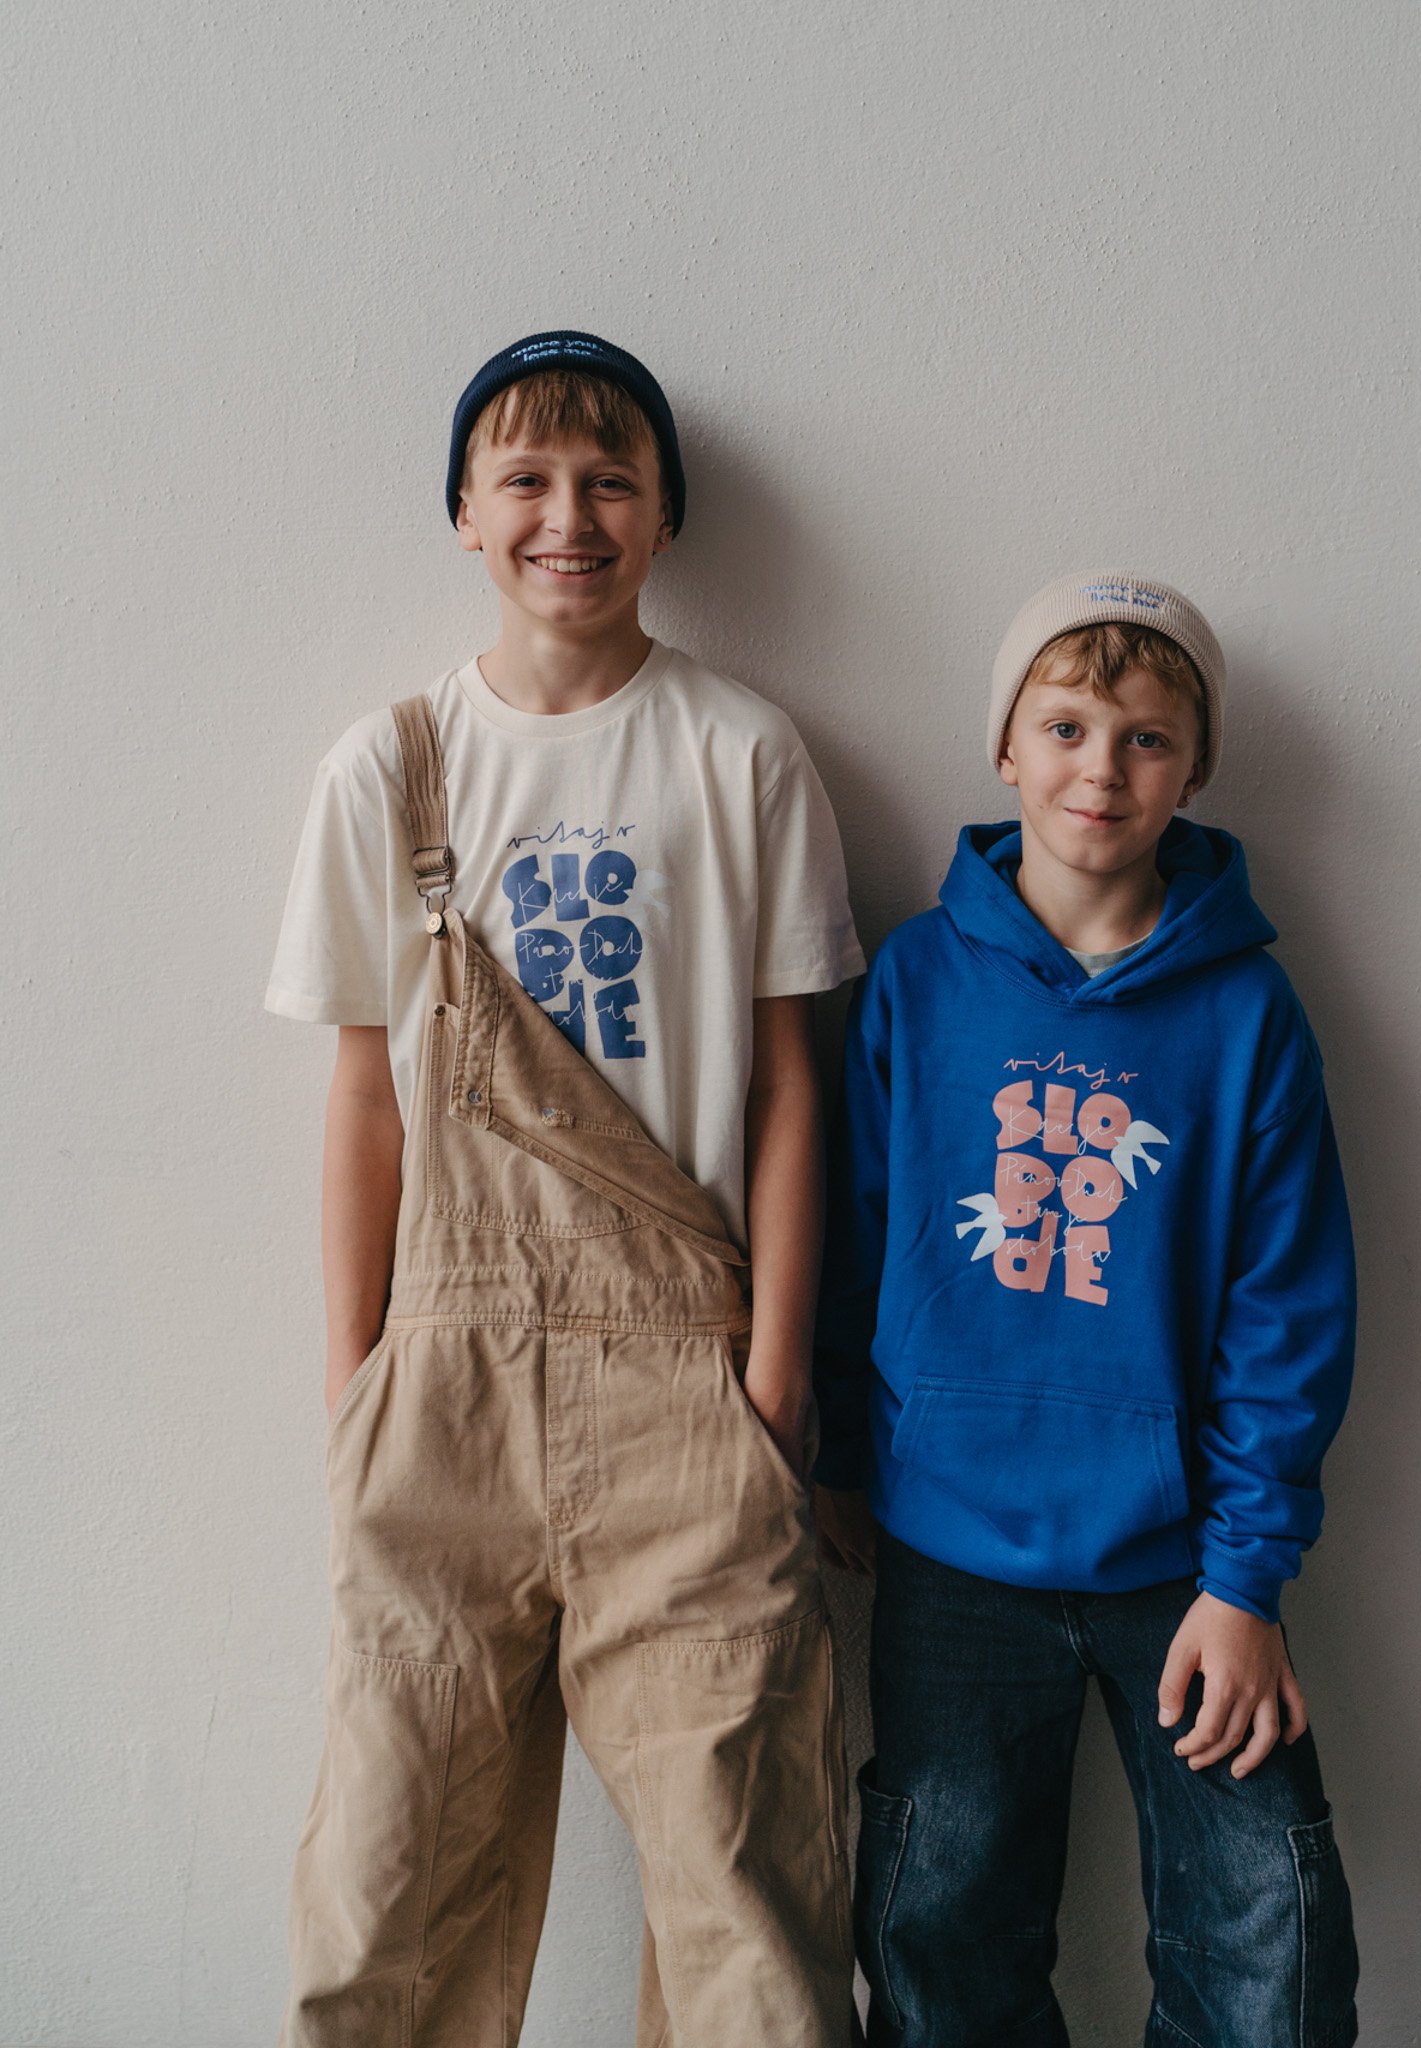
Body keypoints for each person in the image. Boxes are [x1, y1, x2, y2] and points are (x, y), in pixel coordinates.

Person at [266, 330, 864, 2048]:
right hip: (440, 1380)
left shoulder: (741, 754)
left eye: (611, 479)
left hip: (691, 1376)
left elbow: (793, 1085)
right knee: (386, 1891)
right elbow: (366, 1099)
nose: (568, 516)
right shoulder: (390, 766)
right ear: (464, 513)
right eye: (523, 478)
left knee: (744, 1905)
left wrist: (773, 1377)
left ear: (665, 516)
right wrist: (359, 1382)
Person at [813, 573, 1360, 2048]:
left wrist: (1246, 1580)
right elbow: (853, 1236)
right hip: (947, 1554)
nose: (1100, 770)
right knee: (941, 1943)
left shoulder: (1248, 1015)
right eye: (1063, 728)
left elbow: (1286, 1309)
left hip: (1187, 1566)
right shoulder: (917, 980)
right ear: (1004, 746)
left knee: (1268, 1947)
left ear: (1196, 767)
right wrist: (841, 1458)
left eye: (1145, 738)